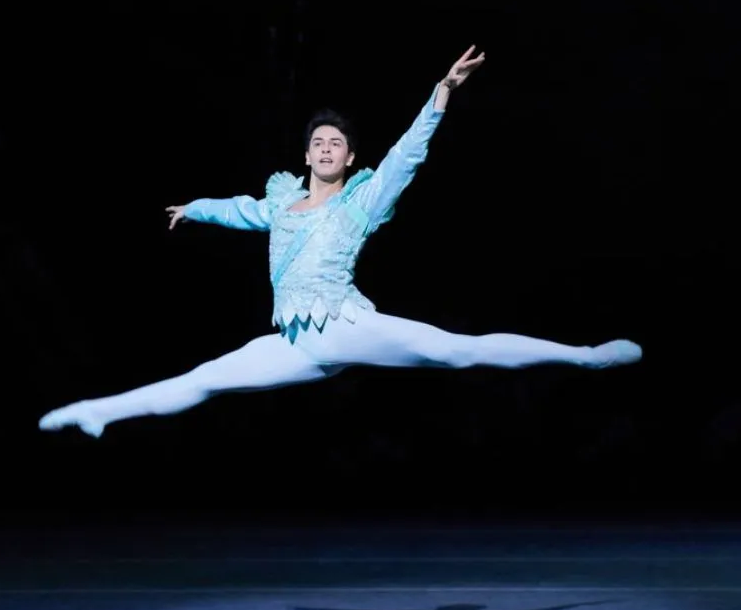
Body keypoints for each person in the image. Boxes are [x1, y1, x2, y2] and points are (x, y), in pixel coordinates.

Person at [39, 45, 641, 438]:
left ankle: (584, 355)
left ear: (349, 159)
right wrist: (195, 209)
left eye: (337, 145)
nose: (326, 149)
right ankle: (99, 412)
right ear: (305, 155)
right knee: (207, 377)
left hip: (346, 325)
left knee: (454, 350)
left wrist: (442, 92)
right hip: (298, 343)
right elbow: (240, 210)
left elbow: (407, 155)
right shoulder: (281, 204)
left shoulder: (361, 201)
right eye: (318, 143)